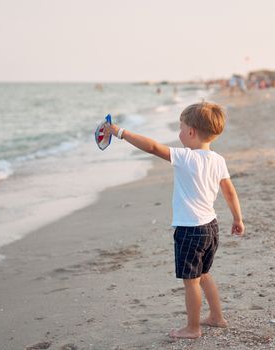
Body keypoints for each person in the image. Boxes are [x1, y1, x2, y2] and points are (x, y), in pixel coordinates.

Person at [103, 102, 244, 339]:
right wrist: (237, 218)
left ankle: (193, 328)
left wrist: (120, 132)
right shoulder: (218, 160)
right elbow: (229, 191)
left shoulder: (185, 157)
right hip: (211, 226)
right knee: (205, 273)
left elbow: (153, 147)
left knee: (191, 281)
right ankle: (217, 317)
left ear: (191, 132)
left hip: (190, 229)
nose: (178, 133)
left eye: (180, 128)